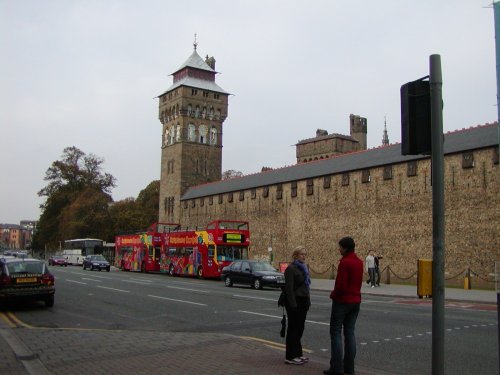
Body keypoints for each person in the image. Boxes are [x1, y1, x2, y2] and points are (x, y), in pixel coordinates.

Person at [324, 236, 363, 375]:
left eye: (340, 247)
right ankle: (349, 368)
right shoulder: (359, 262)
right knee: (350, 333)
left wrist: (333, 295)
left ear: (345, 248)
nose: (339, 249)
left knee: (335, 333)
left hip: (342, 302)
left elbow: (341, 286)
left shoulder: (345, 263)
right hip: (355, 301)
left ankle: (336, 367)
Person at [283, 245, 311, 365]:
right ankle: (290, 356)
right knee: (293, 328)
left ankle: (298, 353)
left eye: (305, 254)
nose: (304, 256)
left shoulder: (304, 268)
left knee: (300, 327)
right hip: (295, 301)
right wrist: (293, 304)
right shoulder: (291, 268)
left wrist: (308, 300)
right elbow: (289, 289)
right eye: (301, 254)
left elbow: (306, 286)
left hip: (303, 300)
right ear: (295, 255)